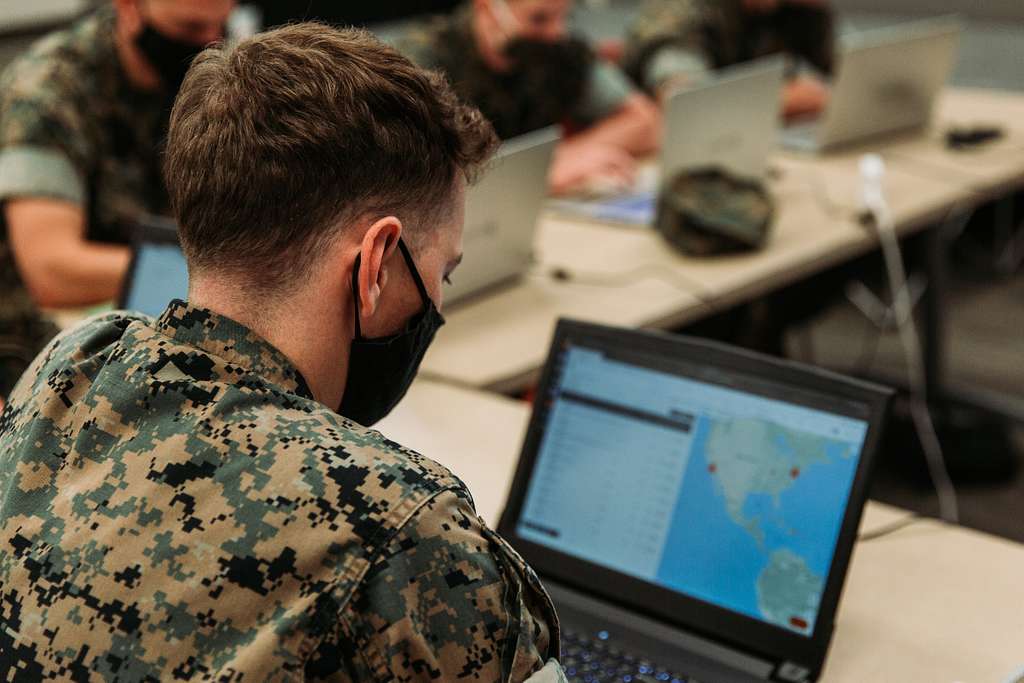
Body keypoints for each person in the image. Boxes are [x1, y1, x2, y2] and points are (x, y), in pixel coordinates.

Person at [0, 23, 567, 681]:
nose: (436, 303)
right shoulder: (404, 526)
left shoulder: (71, 368)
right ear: (378, 263)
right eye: (441, 275)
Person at [0, 0, 235, 399]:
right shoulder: (46, 92)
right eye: (192, 31)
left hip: (146, 321)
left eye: (219, 27)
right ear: (128, 7)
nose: (209, 45)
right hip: (28, 351)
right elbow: (51, 269)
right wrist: (209, 271)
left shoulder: (206, 82)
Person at [396, 0, 661, 195]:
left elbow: (645, 121)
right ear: (488, 9)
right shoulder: (422, 64)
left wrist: (565, 156)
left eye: (564, 16)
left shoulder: (559, 48)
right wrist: (538, 173)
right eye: (539, 19)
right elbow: (411, 176)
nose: (555, 32)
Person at [622, 0, 835, 119]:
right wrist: (782, 99)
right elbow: (683, 102)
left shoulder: (801, 10)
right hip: (659, 154)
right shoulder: (682, 9)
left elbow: (842, 76)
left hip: (742, 141)